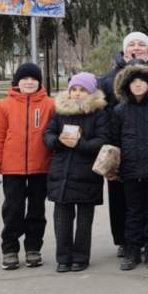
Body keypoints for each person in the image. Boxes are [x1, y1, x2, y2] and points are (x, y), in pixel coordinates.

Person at [97, 31, 148, 259]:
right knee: (123, 202)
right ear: (124, 50)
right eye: (132, 44)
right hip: (124, 152)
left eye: (142, 44)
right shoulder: (108, 79)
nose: (136, 47)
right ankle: (126, 242)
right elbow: (101, 113)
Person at [0, 63, 54, 270]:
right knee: (13, 209)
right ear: (17, 81)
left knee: (36, 210)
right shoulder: (5, 106)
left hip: (40, 168)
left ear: (39, 82)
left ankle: (33, 248)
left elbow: (55, 133)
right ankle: (10, 249)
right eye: (25, 79)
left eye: (33, 79)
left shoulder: (49, 105)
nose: (29, 82)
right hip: (12, 169)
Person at [43, 72, 109, 273]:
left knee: (84, 221)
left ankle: (80, 258)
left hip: (87, 175)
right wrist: (58, 141)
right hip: (61, 174)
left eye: (82, 90)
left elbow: (103, 140)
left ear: (91, 92)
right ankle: (63, 258)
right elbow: (48, 134)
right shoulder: (60, 112)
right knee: (62, 220)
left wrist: (81, 144)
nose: (77, 93)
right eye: (74, 89)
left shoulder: (99, 114)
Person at [109, 63, 148, 271]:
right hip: (129, 169)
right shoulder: (120, 110)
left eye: (142, 81)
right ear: (127, 85)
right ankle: (132, 251)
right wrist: (113, 167)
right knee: (133, 211)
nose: (137, 85)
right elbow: (114, 141)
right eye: (133, 81)